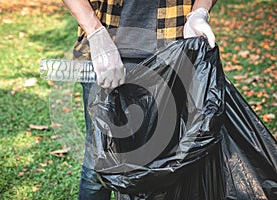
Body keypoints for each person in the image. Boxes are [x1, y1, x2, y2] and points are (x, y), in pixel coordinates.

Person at [62, 0, 217, 199]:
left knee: (167, 162)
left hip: (173, 55)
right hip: (107, 55)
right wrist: (95, 31)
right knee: (98, 166)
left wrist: (199, 12)